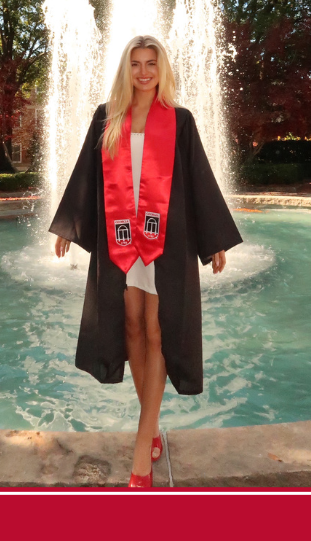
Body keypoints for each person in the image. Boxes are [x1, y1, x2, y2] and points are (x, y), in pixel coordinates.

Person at [48, 34, 242, 488]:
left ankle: (141, 450)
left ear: (162, 68)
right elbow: (86, 176)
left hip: (166, 241)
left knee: (158, 330)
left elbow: (199, 179)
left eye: (151, 63)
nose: (143, 72)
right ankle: (151, 427)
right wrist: (68, 225)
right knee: (132, 326)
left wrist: (214, 238)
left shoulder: (180, 120)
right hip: (121, 238)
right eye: (135, 63)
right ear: (126, 69)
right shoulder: (107, 117)